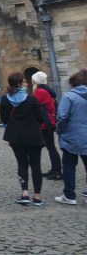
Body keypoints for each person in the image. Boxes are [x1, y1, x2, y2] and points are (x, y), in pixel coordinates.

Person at [0, 72, 48, 206]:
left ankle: (25, 193)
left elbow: (4, 119)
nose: (26, 83)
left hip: (16, 136)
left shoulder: (5, 99)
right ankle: (37, 196)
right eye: (24, 82)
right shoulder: (32, 99)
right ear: (19, 84)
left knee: (22, 164)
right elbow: (41, 118)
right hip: (33, 136)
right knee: (36, 165)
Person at [54, 68, 87, 205]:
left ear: (72, 84)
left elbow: (62, 116)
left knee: (68, 165)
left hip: (72, 135)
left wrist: (59, 130)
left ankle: (69, 195)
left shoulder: (69, 96)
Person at [31, 71, 62, 179]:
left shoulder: (40, 92)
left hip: (46, 123)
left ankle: (57, 170)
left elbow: (34, 106)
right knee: (50, 146)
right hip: (49, 121)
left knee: (51, 147)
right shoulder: (45, 91)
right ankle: (55, 169)